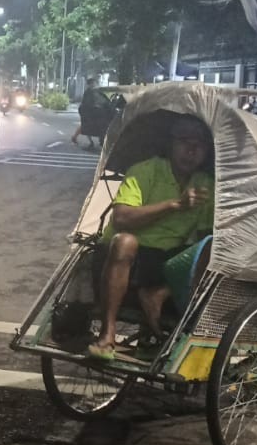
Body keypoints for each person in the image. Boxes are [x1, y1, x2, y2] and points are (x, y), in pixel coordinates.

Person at [89, 116, 215, 359]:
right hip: (126, 258)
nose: (191, 151)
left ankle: (159, 296)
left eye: (198, 145)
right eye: (184, 142)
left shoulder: (205, 184)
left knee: (212, 247)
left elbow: (203, 239)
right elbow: (122, 219)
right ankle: (107, 334)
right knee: (125, 241)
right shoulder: (144, 171)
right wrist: (175, 204)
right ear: (170, 145)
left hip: (166, 261)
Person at [73, 78, 105, 149]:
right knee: (87, 126)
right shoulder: (89, 92)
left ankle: (75, 137)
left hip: (90, 110)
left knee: (86, 125)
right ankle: (89, 141)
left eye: (95, 83)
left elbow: (101, 100)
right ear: (90, 84)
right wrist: (96, 106)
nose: (94, 84)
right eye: (93, 83)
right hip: (86, 111)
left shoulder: (95, 91)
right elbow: (88, 103)